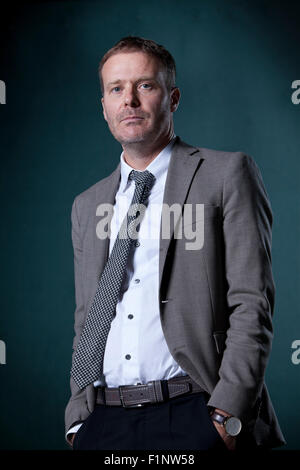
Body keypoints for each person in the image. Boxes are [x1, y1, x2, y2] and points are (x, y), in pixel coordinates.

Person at [64, 36, 286, 451]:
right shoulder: (87, 204)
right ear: (105, 107)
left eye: (145, 85)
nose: (129, 99)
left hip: (195, 412)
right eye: (116, 89)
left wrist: (227, 415)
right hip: (105, 421)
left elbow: (252, 301)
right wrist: (78, 420)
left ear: (173, 98)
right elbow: (87, 318)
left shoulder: (226, 174)